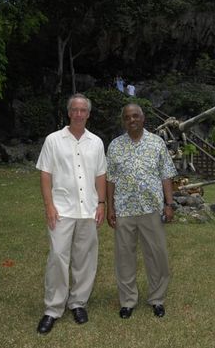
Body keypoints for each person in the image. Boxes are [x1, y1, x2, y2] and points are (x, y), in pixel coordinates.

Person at [36, 93, 107, 334]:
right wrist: (49, 205)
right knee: (58, 257)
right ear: (69, 113)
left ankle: (78, 303)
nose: (78, 114)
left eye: (82, 110)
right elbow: (45, 174)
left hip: (88, 209)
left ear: (88, 114)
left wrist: (101, 203)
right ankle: (53, 308)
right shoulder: (53, 140)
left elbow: (100, 175)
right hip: (61, 210)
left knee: (85, 259)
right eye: (74, 110)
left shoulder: (96, 142)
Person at [106, 103, 177, 319]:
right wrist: (109, 207)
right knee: (124, 257)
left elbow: (166, 175)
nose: (132, 120)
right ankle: (127, 301)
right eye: (127, 117)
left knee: (157, 256)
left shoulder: (157, 143)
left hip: (151, 209)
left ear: (143, 118)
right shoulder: (115, 146)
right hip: (124, 210)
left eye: (135, 116)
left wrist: (169, 203)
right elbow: (110, 179)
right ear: (123, 121)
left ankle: (157, 299)